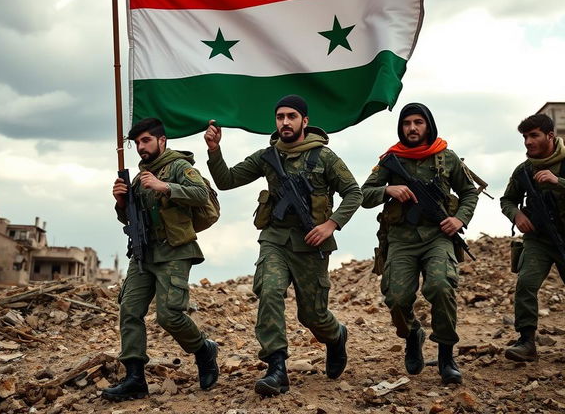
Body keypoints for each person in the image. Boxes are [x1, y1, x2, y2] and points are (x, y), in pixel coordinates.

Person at [204, 94, 362, 396]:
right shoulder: (267, 156)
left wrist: (330, 225)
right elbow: (226, 180)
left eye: (291, 116)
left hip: (311, 244)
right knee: (270, 290)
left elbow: (354, 192)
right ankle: (276, 367)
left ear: (305, 121)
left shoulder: (324, 157)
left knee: (312, 315)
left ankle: (336, 336)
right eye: (280, 117)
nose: (285, 122)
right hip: (275, 240)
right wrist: (214, 150)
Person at [102, 117, 219, 402]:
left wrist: (164, 186)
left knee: (169, 315)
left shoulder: (179, 167)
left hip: (175, 250)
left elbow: (201, 194)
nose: (141, 147)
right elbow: (130, 218)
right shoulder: (140, 177)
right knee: (129, 310)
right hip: (144, 252)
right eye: (138, 142)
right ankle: (134, 377)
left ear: (161, 140)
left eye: (146, 140)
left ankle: (203, 350)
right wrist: (121, 202)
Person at [361, 103, 478, 385]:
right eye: (407, 123)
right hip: (401, 239)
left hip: (438, 237)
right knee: (397, 298)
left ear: (428, 125)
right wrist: (388, 189)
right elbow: (363, 194)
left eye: (418, 122)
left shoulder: (446, 157)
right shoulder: (391, 158)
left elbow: (469, 193)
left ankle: (446, 355)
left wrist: (459, 220)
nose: (412, 128)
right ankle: (413, 334)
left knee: (440, 286)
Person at [500, 113, 565, 362]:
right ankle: (527, 342)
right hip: (539, 239)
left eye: (534, 135)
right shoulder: (524, 170)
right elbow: (507, 200)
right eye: (525, 137)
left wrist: (557, 181)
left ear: (550, 136)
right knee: (526, 284)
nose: (527, 141)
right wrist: (516, 215)